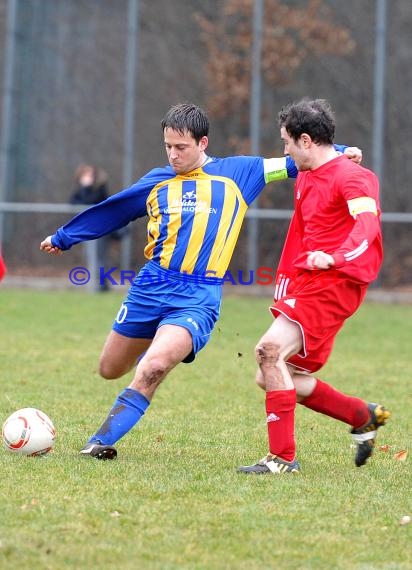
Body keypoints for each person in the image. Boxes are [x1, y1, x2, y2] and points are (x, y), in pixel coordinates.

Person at [40, 102, 361, 460]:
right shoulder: (158, 180)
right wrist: (65, 237)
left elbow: (298, 160)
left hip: (197, 296)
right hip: (150, 286)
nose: (173, 155)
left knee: (154, 368)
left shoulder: (240, 172)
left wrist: (344, 151)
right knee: (110, 369)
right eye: (168, 147)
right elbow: (115, 209)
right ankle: (157, 341)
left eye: (182, 147)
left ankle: (99, 442)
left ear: (203, 142)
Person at [238, 98, 390, 476]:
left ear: (305, 140)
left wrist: (335, 258)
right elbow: (328, 155)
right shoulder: (310, 170)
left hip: (335, 282)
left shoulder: (354, 178)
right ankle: (362, 414)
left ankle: (282, 458)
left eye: (287, 142)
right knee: (271, 373)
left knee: (269, 351)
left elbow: (366, 227)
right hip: (307, 282)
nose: (285, 150)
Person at [70, 164, 126, 291]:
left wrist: (87, 188)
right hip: (87, 229)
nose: (88, 178)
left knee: (100, 257)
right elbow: (74, 203)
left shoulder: (100, 189)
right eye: (85, 175)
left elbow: (92, 201)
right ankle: (99, 283)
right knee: (92, 257)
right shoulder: (80, 190)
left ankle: (102, 284)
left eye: (90, 175)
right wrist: (84, 188)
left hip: (100, 229)